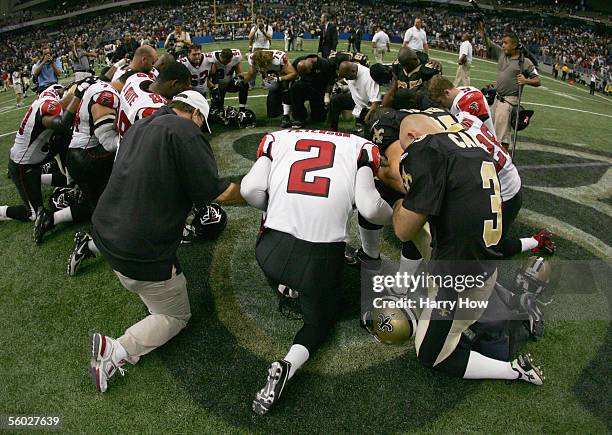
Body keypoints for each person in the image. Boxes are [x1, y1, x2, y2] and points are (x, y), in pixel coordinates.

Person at [88, 91, 243, 393]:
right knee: (175, 315)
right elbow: (217, 192)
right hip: (138, 251)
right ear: (197, 115)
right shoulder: (184, 130)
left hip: (106, 231)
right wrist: (255, 193)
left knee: (153, 280)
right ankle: (116, 349)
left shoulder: (142, 124)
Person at [241, 129, 391, 415]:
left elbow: (249, 189)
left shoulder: (280, 136)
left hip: (269, 252)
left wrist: (273, 208)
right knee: (320, 322)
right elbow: (371, 209)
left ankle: (284, 286)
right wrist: (396, 213)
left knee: (285, 261)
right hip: (316, 261)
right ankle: (288, 364)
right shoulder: (361, 148)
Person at [391, 113, 545, 386]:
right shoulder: (471, 142)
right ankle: (510, 299)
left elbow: (403, 228)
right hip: (481, 262)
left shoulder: (425, 149)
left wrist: (400, 204)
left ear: (413, 137)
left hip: (460, 282)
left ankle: (514, 368)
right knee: (422, 234)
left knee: (431, 354)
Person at [0, 84, 72, 224]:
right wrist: (76, 97)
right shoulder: (47, 107)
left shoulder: (47, 98)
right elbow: (61, 123)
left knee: (62, 140)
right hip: (23, 165)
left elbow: (61, 93)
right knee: (33, 214)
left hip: (36, 156)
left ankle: (67, 176)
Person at [479, 25, 540, 145]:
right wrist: (482, 30)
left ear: (514, 45)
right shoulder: (502, 54)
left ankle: (502, 162)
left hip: (508, 103)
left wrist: (526, 81)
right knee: (488, 133)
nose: (503, 45)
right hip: (495, 100)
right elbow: (489, 44)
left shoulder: (525, 62)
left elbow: (538, 80)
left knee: (502, 138)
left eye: (506, 43)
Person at [117, 61, 191, 138]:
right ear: (174, 84)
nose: (182, 93)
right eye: (183, 89)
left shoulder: (136, 77)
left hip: (123, 141)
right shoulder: (157, 110)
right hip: (134, 148)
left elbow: (116, 124)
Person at [243, 50, 298, 127]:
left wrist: (278, 79)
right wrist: (242, 83)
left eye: (261, 65)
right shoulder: (253, 59)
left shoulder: (279, 59)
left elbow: (293, 73)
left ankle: (286, 115)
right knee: (272, 114)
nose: (260, 68)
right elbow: (250, 74)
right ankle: (284, 105)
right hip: (273, 84)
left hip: (285, 80)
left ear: (266, 62)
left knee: (285, 85)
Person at [329, 61, 381, 132]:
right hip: (356, 100)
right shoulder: (351, 70)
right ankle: (333, 129)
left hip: (367, 107)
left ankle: (362, 123)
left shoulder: (368, 77)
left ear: (353, 71)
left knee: (362, 133)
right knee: (335, 99)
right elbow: (344, 80)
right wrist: (337, 84)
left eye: (347, 77)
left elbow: (375, 102)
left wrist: (368, 116)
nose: (347, 79)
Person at [290, 54, 336, 128]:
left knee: (318, 119)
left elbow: (330, 81)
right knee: (295, 87)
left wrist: (327, 94)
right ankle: (299, 117)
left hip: (319, 90)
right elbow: (291, 73)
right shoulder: (297, 61)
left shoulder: (325, 64)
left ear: (311, 67)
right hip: (304, 87)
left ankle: (316, 111)